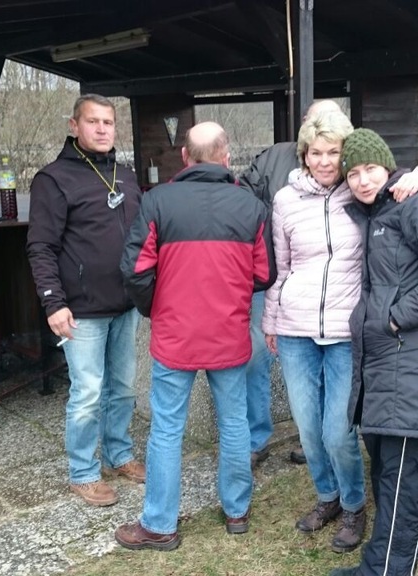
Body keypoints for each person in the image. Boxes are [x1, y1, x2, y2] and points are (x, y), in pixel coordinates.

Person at [260, 110, 418, 554]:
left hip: (344, 333)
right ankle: (328, 496)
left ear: (345, 153)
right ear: (304, 155)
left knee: (338, 432)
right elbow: (282, 265)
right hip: (295, 329)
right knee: (308, 430)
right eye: (315, 152)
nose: (324, 161)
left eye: (333, 152)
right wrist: (271, 320)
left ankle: (355, 505)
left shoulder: (361, 192)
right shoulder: (285, 200)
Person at [115, 122, 271, 551]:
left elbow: (134, 270)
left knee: (167, 429)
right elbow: (264, 273)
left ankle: (159, 525)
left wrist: (155, 307)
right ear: (226, 157)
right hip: (228, 334)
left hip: (175, 336)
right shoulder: (251, 206)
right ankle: (237, 511)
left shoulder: (157, 201)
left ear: (185, 156)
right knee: (234, 424)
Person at [331, 129, 418, 576]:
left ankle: (386, 569)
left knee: (398, 477)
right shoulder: (378, 212)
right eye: (353, 173)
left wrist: (396, 318)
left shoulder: (415, 204)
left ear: (388, 167)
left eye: (371, 169)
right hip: (385, 360)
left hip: (411, 358)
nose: (362, 180)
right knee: (393, 468)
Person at [26, 94, 146, 508]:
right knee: (88, 393)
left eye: (108, 122)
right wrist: (52, 302)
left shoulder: (126, 176)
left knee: (123, 388)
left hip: (126, 304)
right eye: (93, 121)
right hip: (80, 309)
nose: (101, 129)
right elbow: (41, 247)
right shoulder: (53, 179)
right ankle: (83, 472)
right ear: (74, 126)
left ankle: (119, 454)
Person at [238, 99, 346, 467]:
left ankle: (321, 439)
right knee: (257, 356)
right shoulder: (273, 158)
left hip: (335, 289)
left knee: (329, 367)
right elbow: (243, 202)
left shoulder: (351, 163)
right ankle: (259, 437)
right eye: (316, 120)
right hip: (275, 276)